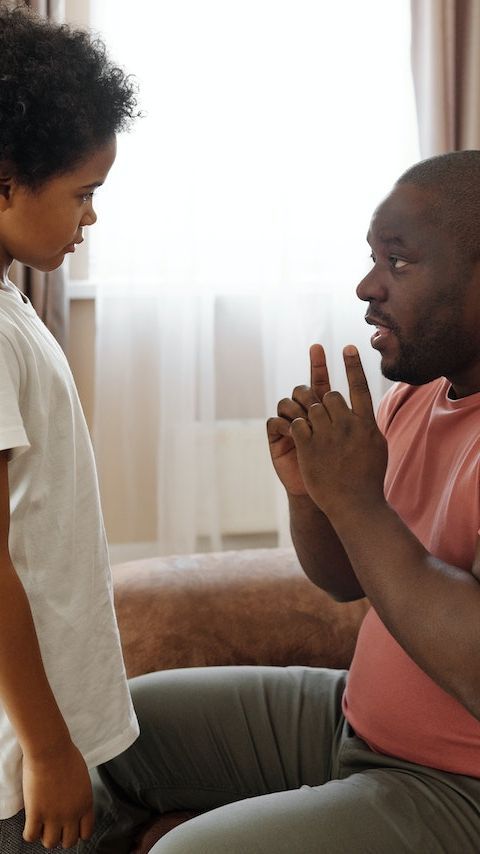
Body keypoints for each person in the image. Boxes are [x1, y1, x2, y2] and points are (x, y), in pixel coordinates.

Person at [95, 148, 480, 854]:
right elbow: (344, 581)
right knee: (104, 728)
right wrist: (314, 497)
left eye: (399, 262)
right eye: (372, 258)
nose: (368, 286)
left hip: (458, 785)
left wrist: (358, 501)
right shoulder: (416, 397)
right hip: (351, 720)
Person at [0, 5, 141, 852]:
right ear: (6, 177)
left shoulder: (11, 303)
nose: (90, 218)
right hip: (22, 751)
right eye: (83, 194)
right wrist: (50, 749)